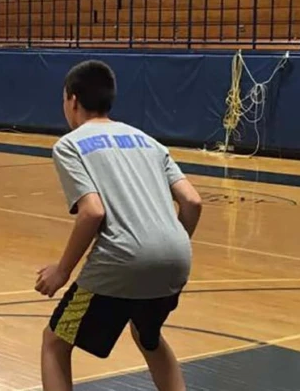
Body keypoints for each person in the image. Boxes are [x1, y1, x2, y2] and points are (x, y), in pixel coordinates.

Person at [35, 60, 203, 391]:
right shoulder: (147, 141)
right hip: (177, 257)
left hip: (120, 261)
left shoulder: (70, 144)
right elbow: (193, 201)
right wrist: (171, 246)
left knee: (55, 342)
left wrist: (62, 270)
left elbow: (92, 213)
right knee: (149, 338)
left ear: (72, 100)